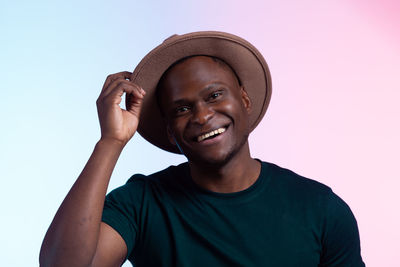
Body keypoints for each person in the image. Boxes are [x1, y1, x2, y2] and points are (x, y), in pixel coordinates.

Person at [40, 31, 365, 267]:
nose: (202, 116)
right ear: (170, 130)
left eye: (214, 96)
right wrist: (110, 142)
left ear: (245, 100)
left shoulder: (321, 210)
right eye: (181, 109)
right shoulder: (142, 203)